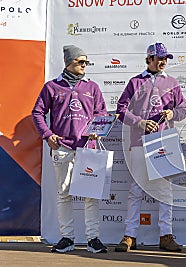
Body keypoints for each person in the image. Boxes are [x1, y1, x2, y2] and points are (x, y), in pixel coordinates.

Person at [32, 45, 108, 253]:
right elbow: (37, 113)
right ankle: (67, 238)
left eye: (86, 62)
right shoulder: (51, 87)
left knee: (91, 195)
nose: (84, 65)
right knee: (64, 193)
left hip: (88, 148)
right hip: (63, 147)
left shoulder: (92, 87)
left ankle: (93, 239)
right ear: (69, 62)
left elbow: (101, 113)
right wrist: (48, 135)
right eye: (80, 62)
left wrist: (97, 130)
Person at [115, 42, 186, 253]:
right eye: (159, 58)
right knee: (136, 189)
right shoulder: (135, 82)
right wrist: (139, 122)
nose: (163, 62)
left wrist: (173, 113)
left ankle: (166, 235)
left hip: (164, 143)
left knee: (165, 190)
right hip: (139, 143)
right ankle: (130, 235)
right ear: (149, 59)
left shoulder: (172, 82)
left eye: (166, 58)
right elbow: (120, 110)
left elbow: (183, 109)